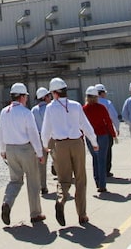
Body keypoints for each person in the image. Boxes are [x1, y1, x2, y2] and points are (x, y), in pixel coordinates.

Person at [40, 77, 98, 227]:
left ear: (54, 93)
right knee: (80, 178)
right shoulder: (76, 105)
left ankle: (61, 200)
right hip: (77, 143)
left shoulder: (50, 108)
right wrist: (94, 142)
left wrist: (45, 146)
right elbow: (85, 125)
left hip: (60, 145)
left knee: (63, 178)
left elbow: (46, 129)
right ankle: (82, 214)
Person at [0, 83, 45, 225]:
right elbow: (33, 134)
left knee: (15, 180)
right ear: (22, 96)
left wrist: (3, 150)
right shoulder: (26, 112)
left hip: (10, 149)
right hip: (25, 149)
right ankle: (35, 213)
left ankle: (7, 202)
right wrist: (39, 152)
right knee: (33, 181)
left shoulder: (4, 112)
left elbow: (0, 133)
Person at [83, 86, 116, 193]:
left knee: (95, 158)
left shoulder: (83, 109)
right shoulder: (101, 108)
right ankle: (102, 184)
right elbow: (108, 121)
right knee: (102, 159)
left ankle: (97, 181)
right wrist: (113, 134)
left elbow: (80, 124)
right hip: (102, 135)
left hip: (90, 136)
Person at [30, 87, 53, 195]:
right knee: (58, 160)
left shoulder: (33, 110)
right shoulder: (50, 108)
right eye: (48, 96)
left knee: (41, 163)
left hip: (39, 138)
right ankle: (62, 183)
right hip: (51, 137)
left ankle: (43, 187)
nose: (50, 97)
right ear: (45, 97)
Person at [95, 83, 120, 178]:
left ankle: (98, 171)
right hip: (106, 130)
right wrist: (117, 128)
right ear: (102, 93)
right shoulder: (107, 103)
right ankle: (106, 170)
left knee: (96, 152)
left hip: (94, 131)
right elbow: (114, 117)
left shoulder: (90, 103)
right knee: (107, 151)